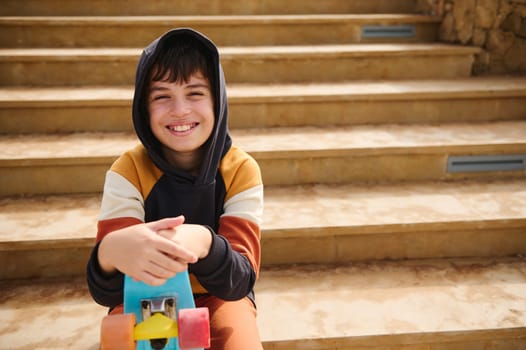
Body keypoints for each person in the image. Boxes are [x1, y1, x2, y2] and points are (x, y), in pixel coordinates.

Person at [86, 28, 264, 349]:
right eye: (161, 96)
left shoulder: (241, 170)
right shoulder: (128, 171)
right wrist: (111, 251)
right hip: (142, 289)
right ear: (143, 107)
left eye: (195, 93)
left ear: (218, 100)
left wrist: (204, 241)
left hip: (219, 295)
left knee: (238, 336)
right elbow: (107, 292)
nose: (180, 110)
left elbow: (240, 280)